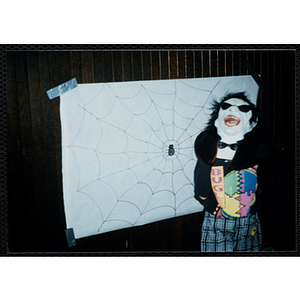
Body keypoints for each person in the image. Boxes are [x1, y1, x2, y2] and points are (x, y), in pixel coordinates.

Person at [194, 92, 269, 252]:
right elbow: (201, 183)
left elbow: (201, 191)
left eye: (242, 108)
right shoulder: (210, 149)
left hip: (244, 217)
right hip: (224, 216)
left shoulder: (257, 150)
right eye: (227, 106)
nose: (233, 110)